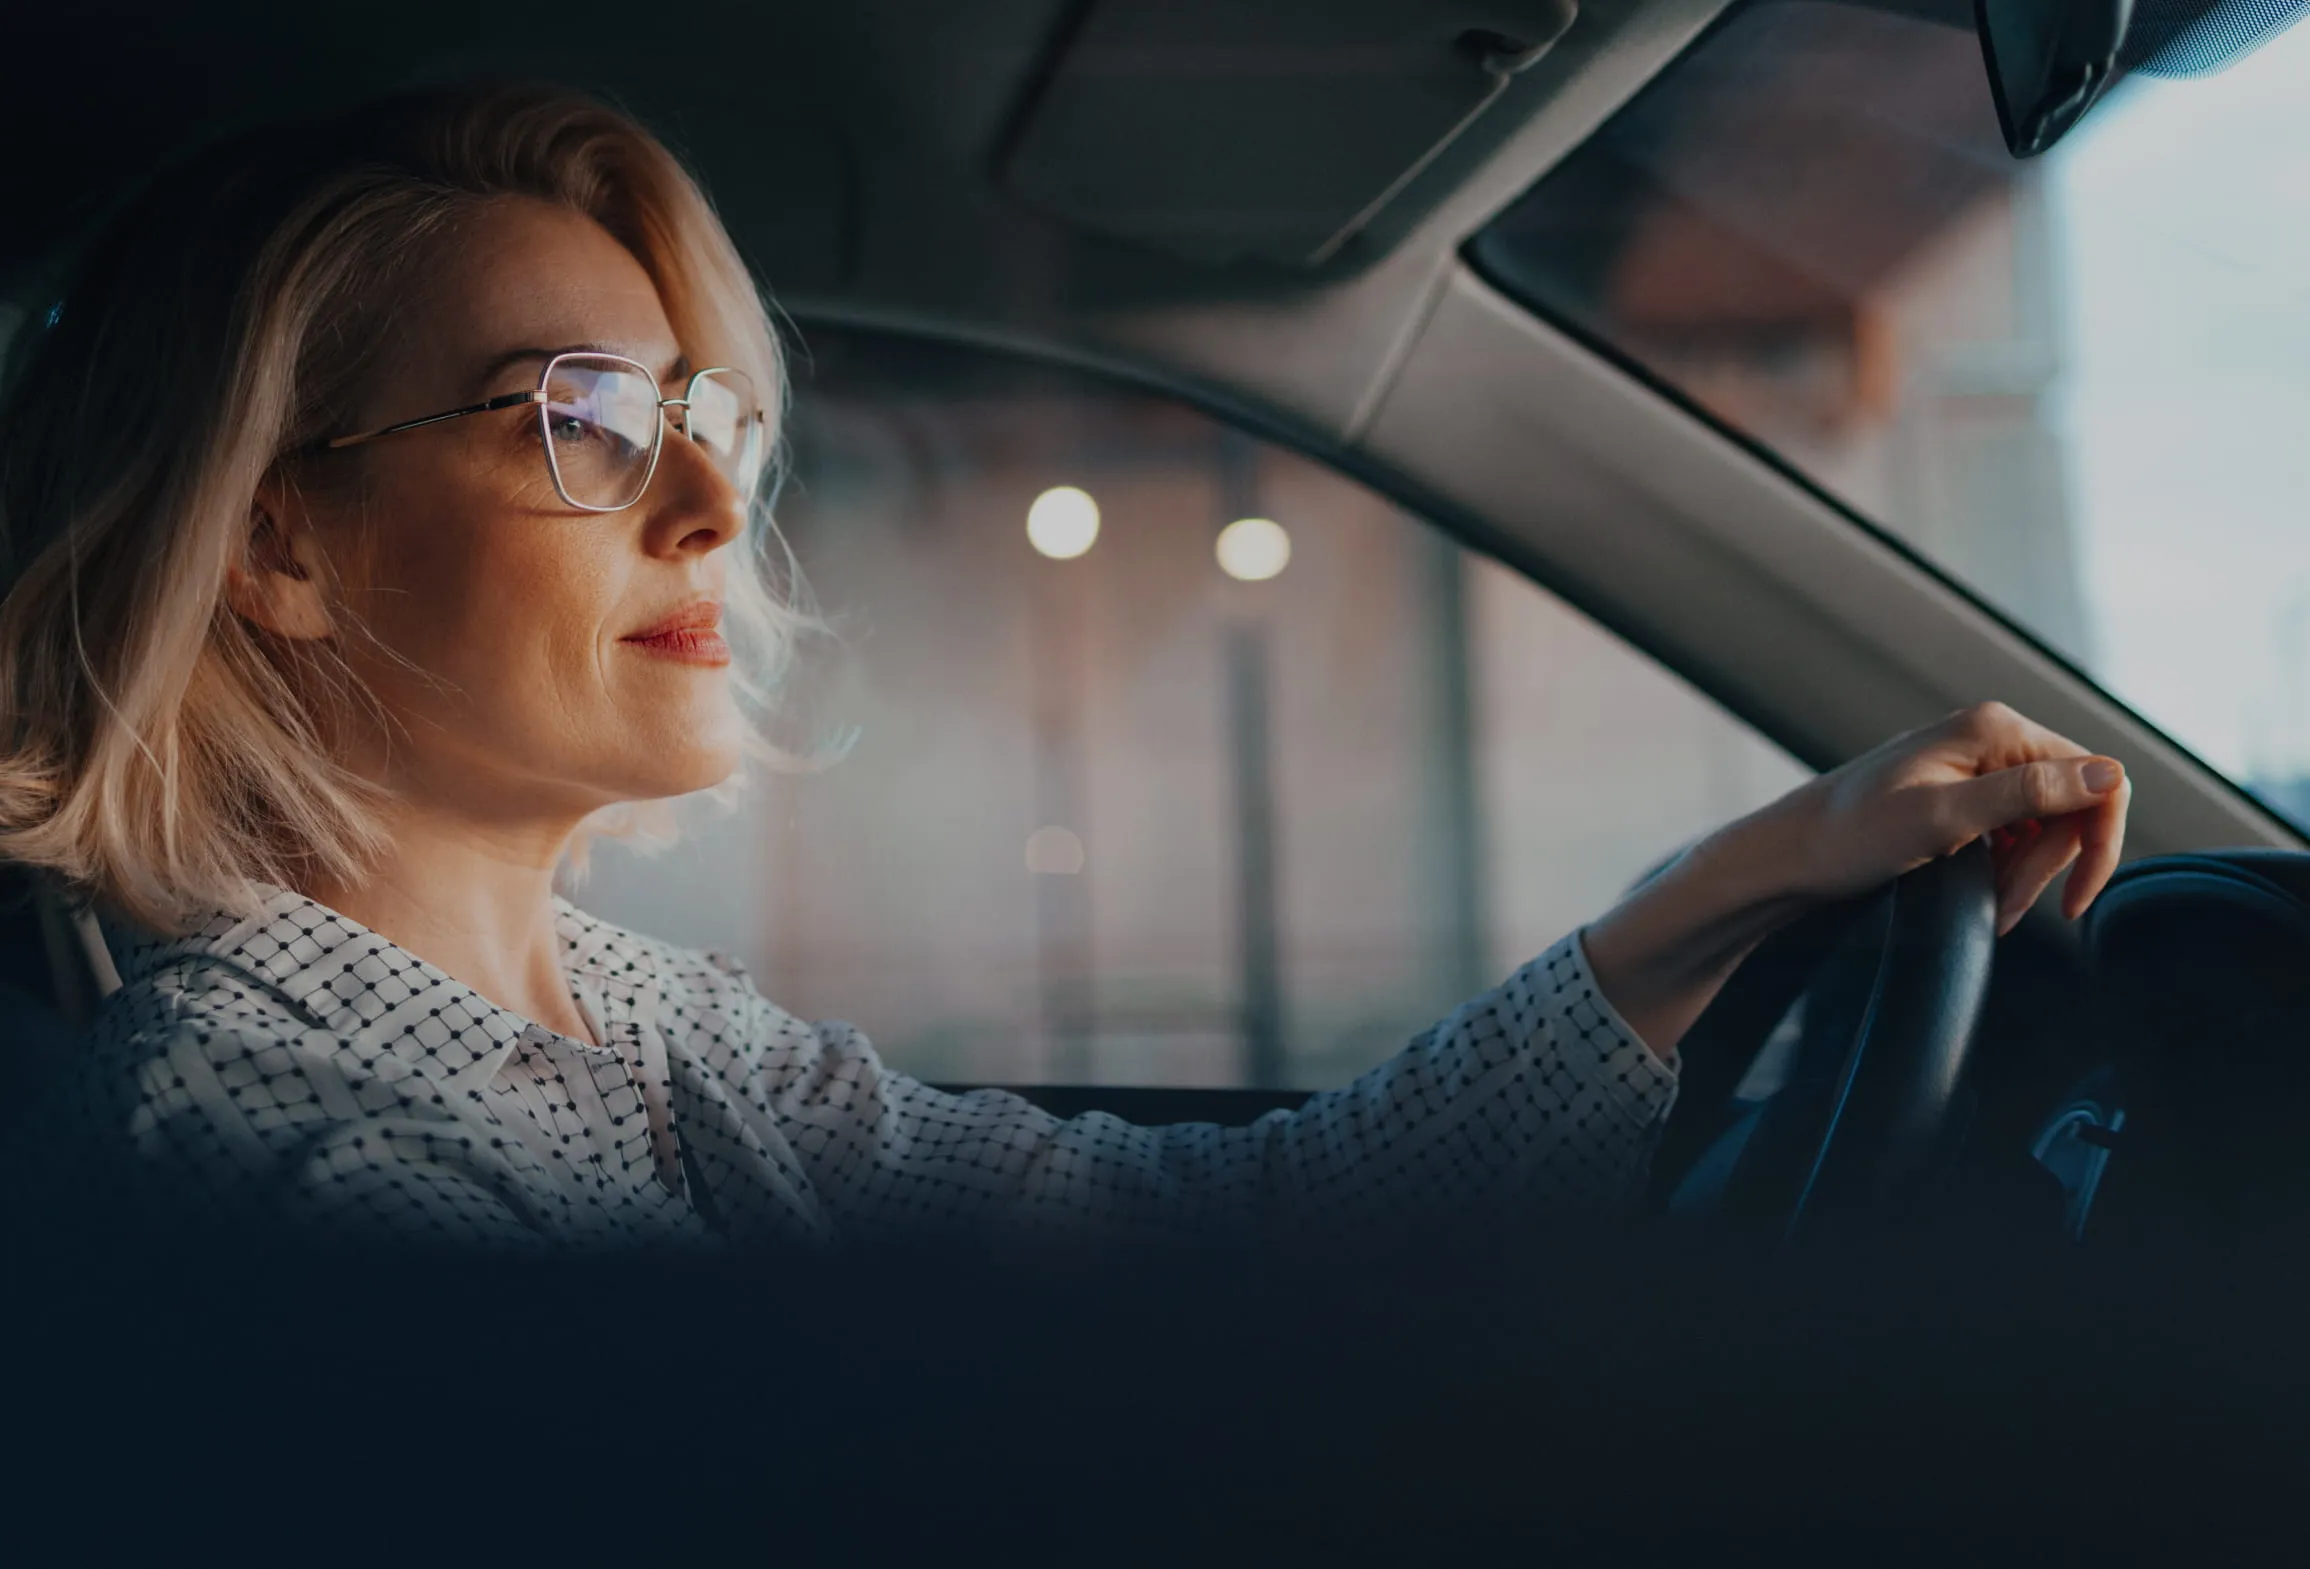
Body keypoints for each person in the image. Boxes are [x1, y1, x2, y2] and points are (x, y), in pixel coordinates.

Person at [0, 85, 2130, 1251]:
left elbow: (1223, 1236)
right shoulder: (263, 1138)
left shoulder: (648, 1030)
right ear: (277, 536)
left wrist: (1753, 877)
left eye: (708, 422)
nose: (710, 513)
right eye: (577, 414)